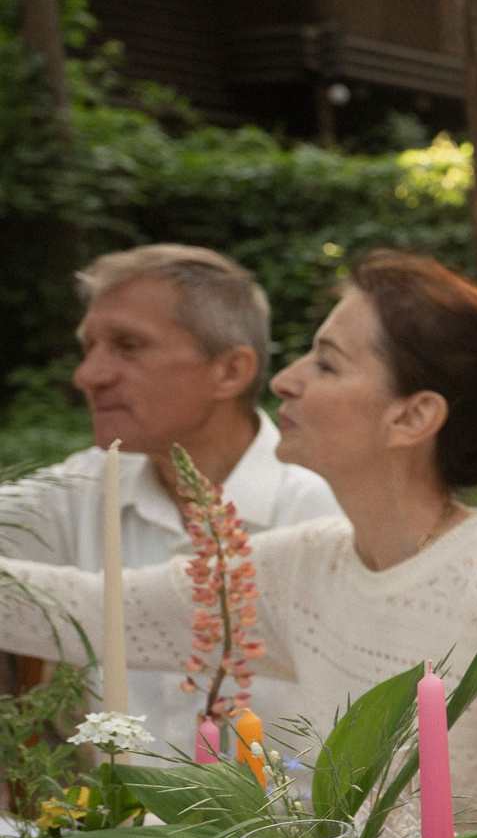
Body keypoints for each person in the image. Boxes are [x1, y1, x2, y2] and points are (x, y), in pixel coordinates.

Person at [0, 251, 477, 821]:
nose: (285, 380)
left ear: (412, 417)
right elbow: (90, 611)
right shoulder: (305, 565)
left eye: (327, 363)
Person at [0, 246, 340, 753]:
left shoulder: (325, 507)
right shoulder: (82, 490)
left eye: (127, 346)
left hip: (294, 830)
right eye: (89, 347)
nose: (88, 375)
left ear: (230, 371)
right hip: (115, 832)